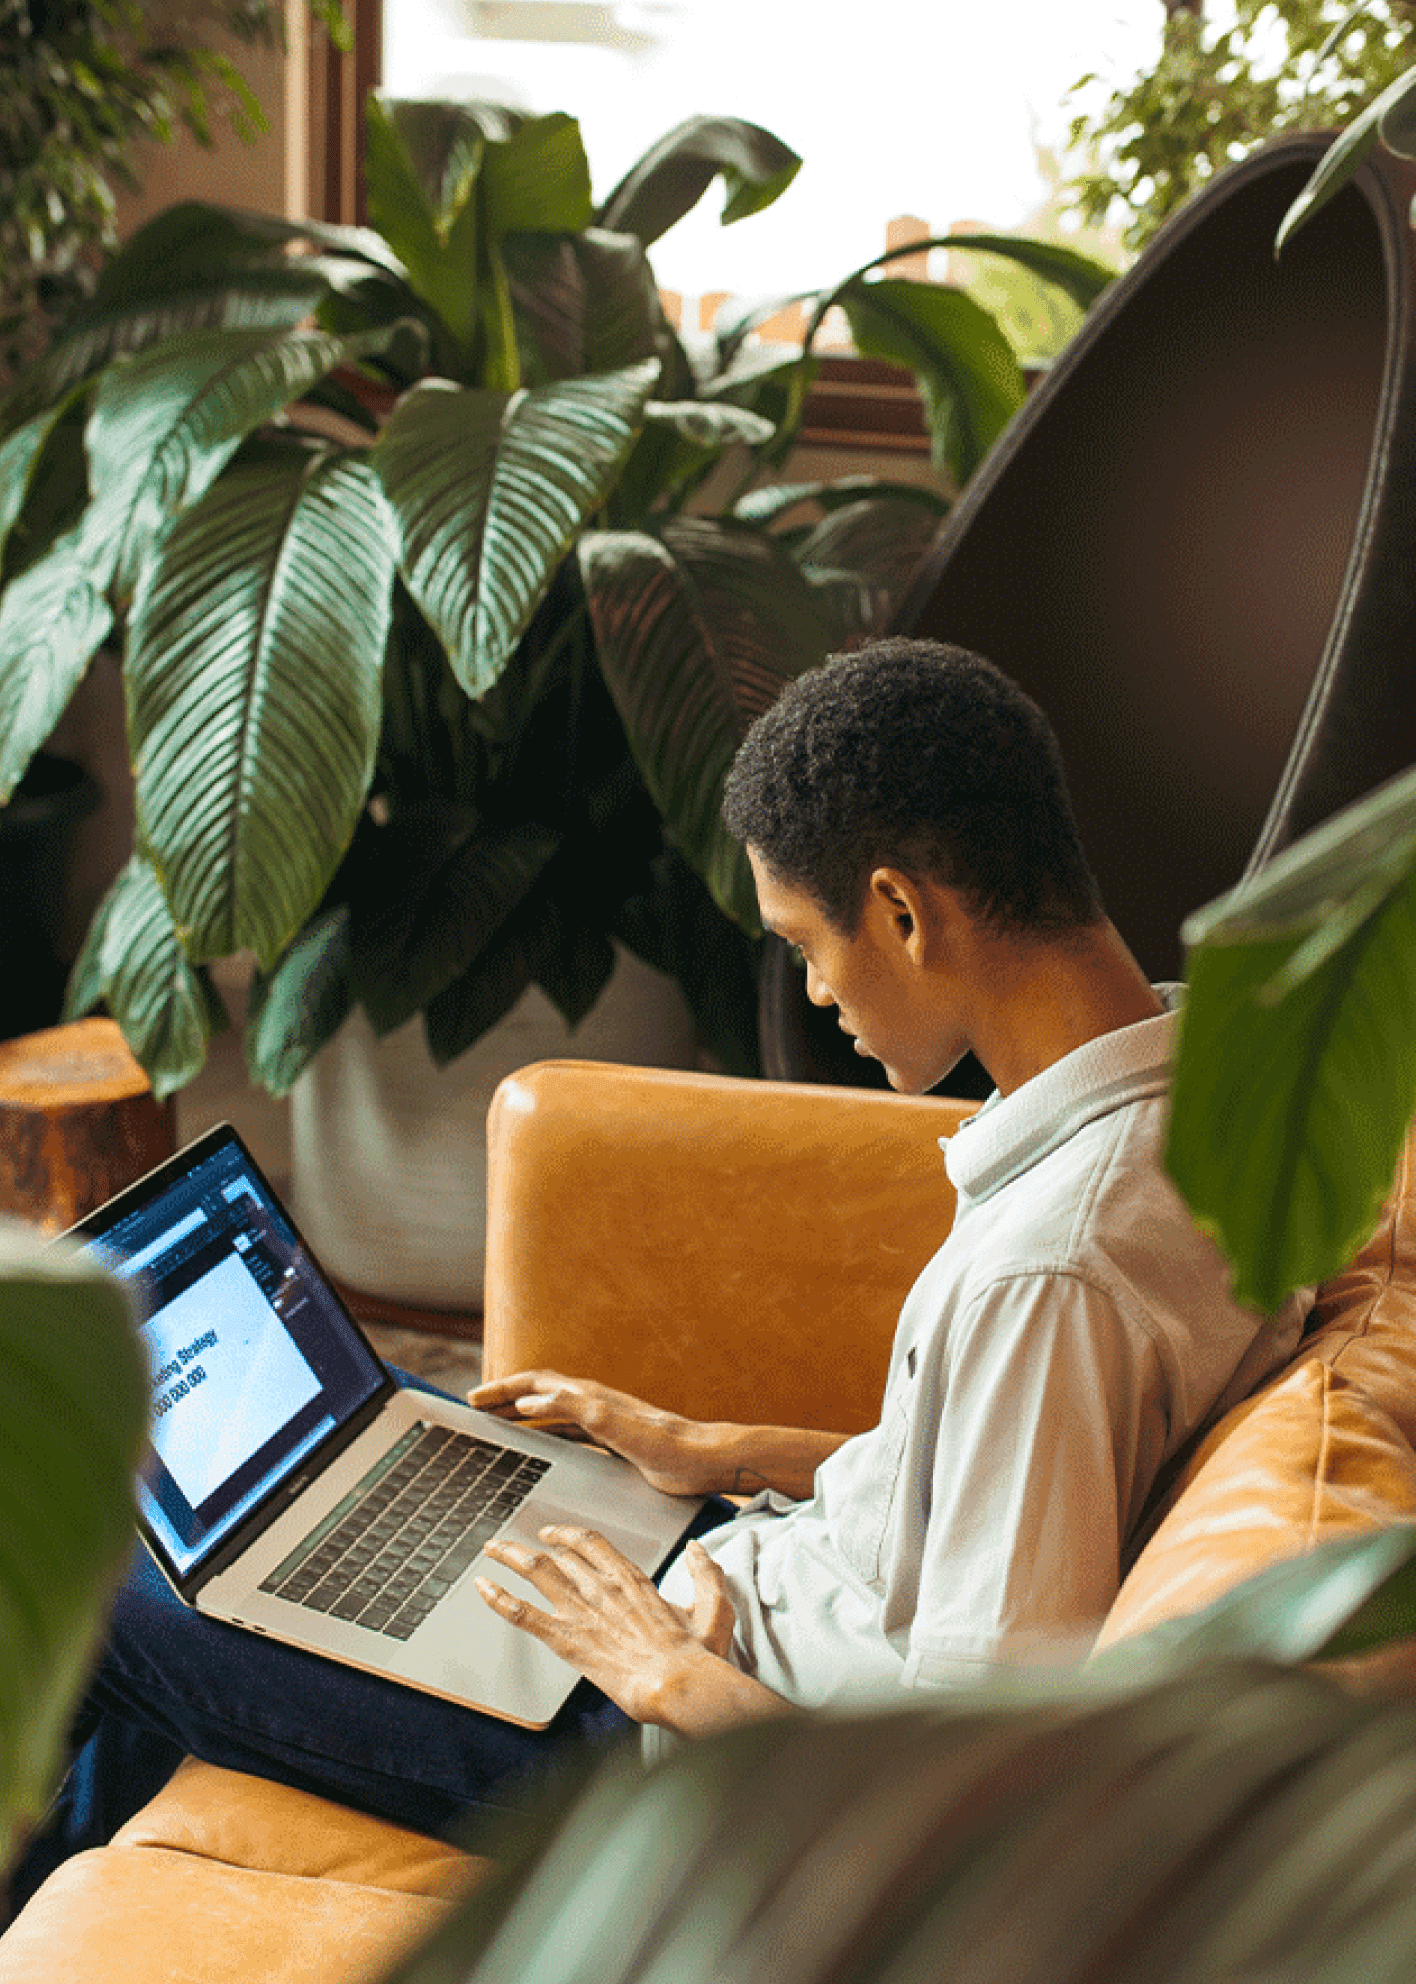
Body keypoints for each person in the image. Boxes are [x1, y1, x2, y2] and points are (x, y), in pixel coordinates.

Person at [13, 637, 1306, 1904]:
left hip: (662, 1737)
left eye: (805, 942)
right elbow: (974, 1481)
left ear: (903, 911)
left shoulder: (1053, 1275)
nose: (813, 993)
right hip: (735, 1574)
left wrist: (650, 1667)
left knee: (93, 1565)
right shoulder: (1203, 1089)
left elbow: (951, 1790)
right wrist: (717, 1446)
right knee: (373, 1436)